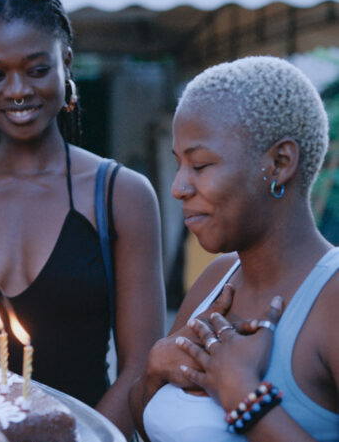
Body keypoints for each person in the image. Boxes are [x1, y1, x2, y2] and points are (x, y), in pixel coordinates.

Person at [0, 0, 165, 439]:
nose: (18, 90)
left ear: (66, 62)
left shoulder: (121, 194)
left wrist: (81, 438)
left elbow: (141, 367)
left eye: (36, 68)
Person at [129, 56, 339, 442]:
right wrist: (153, 372)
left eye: (201, 164)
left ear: (280, 162)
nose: (179, 187)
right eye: (179, 164)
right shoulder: (216, 278)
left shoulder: (332, 299)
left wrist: (244, 397)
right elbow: (151, 427)